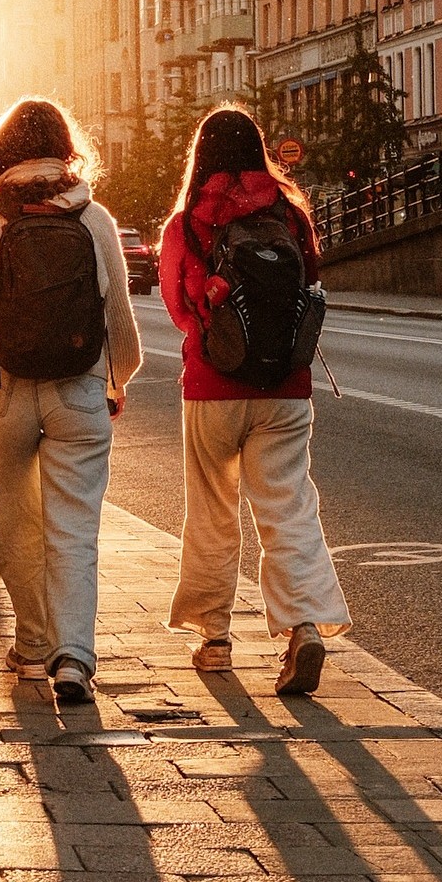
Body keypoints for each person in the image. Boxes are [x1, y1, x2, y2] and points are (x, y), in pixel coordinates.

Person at [0, 99, 141, 706]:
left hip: (5, 391)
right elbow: (117, 314)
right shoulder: (93, 217)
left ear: (3, 151)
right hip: (79, 390)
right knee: (74, 528)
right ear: (64, 149)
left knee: (15, 524)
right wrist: (118, 376)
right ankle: (74, 656)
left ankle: (34, 641)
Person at [159, 104, 350, 694]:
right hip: (286, 391)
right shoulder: (291, 215)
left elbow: (180, 311)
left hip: (214, 389)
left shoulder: (189, 223)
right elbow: (311, 285)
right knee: (290, 508)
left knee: (213, 510)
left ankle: (214, 640)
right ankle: (302, 628)